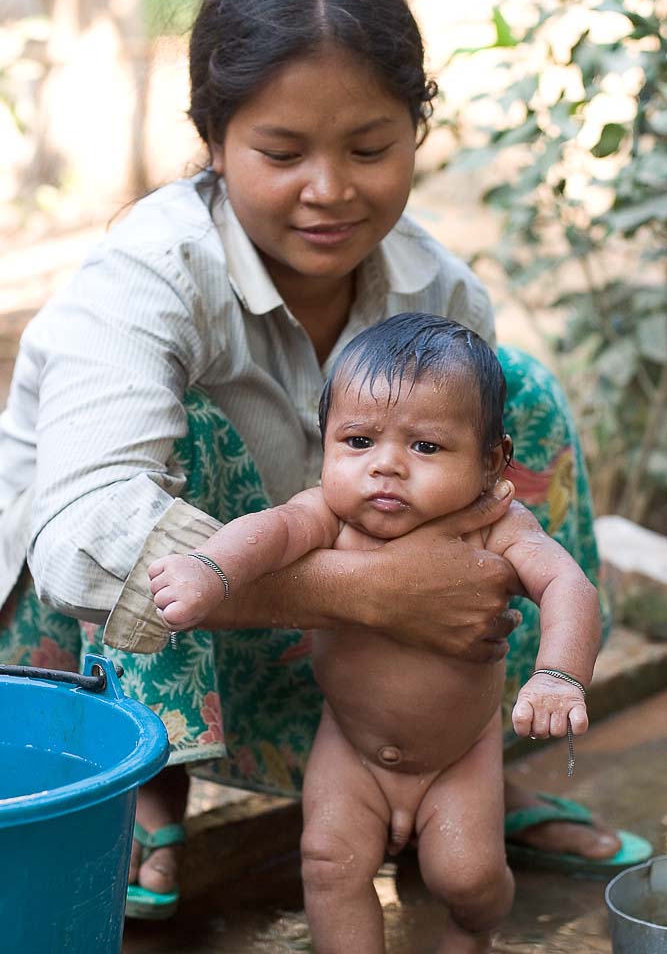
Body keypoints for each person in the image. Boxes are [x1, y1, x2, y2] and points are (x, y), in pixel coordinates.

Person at [0, 0, 649, 924]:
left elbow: (486, 517)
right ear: (213, 140)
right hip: (114, 640)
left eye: (369, 146)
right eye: (282, 149)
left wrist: (463, 630)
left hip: (336, 661)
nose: (328, 189)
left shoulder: (437, 288)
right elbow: (87, 541)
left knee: (507, 397)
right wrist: (373, 588)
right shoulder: (144, 275)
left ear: (416, 134)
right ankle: (139, 786)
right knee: (181, 456)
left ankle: (468, 763)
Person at [149, 313, 602, 953]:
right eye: (358, 441)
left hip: (458, 756)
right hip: (351, 747)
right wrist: (210, 568)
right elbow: (269, 531)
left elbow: (568, 586)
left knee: (465, 877)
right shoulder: (329, 514)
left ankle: (477, 927)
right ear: (325, 441)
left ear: (492, 460)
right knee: (329, 865)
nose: (385, 467)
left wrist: (558, 675)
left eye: (425, 447)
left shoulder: (496, 524)